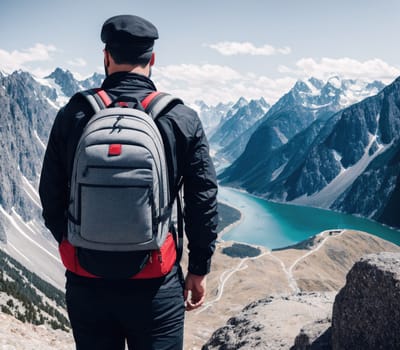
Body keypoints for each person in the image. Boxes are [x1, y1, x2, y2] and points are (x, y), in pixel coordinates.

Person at [39, 14, 218, 350]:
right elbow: (202, 198)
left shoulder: (74, 113)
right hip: (155, 283)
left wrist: (70, 244)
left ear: (106, 57)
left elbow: (50, 194)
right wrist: (198, 267)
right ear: (151, 59)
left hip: (87, 280)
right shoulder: (179, 117)